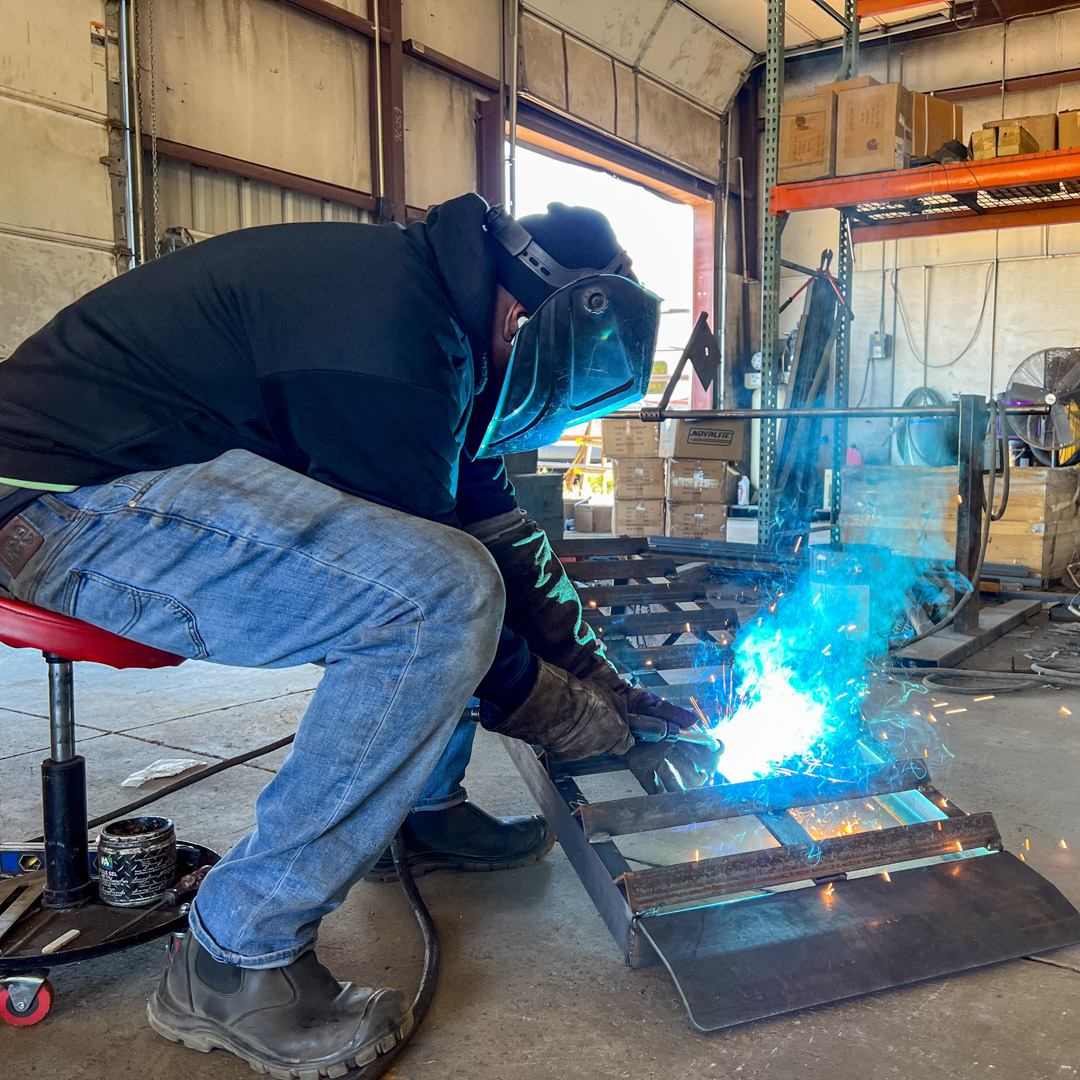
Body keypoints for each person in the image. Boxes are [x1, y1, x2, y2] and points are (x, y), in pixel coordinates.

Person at [0, 193, 699, 1077]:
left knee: (445, 568)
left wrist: (599, 676)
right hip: (59, 512)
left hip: (120, 492)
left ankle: (421, 814)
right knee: (434, 598)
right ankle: (233, 954)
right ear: (525, 319)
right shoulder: (394, 345)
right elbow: (442, 591)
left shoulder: (444, 333)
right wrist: (555, 711)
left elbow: (495, 533)